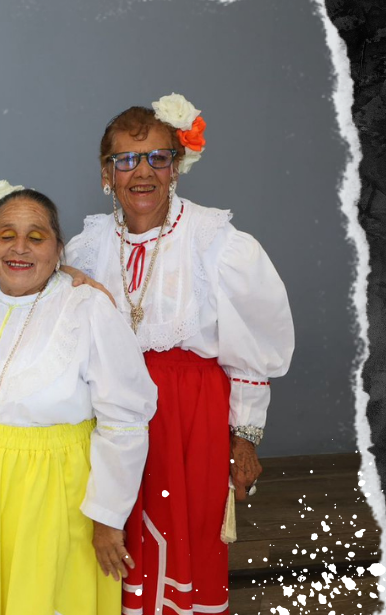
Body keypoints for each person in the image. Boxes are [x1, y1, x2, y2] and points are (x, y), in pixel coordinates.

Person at [64, 95, 295, 615]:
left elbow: (250, 350)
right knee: (115, 533)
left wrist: (245, 437)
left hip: (189, 413)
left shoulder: (214, 240)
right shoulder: (88, 245)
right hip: (112, 411)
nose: (141, 172)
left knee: (181, 534)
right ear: (107, 173)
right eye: (126, 159)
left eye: (157, 158)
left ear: (176, 166)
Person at [0, 185, 157, 614]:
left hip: (43, 489)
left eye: (36, 237)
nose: (20, 248)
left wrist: (108, 517)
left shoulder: (88, 308)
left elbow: (126, 419)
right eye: (6, 235)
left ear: (59, 250)